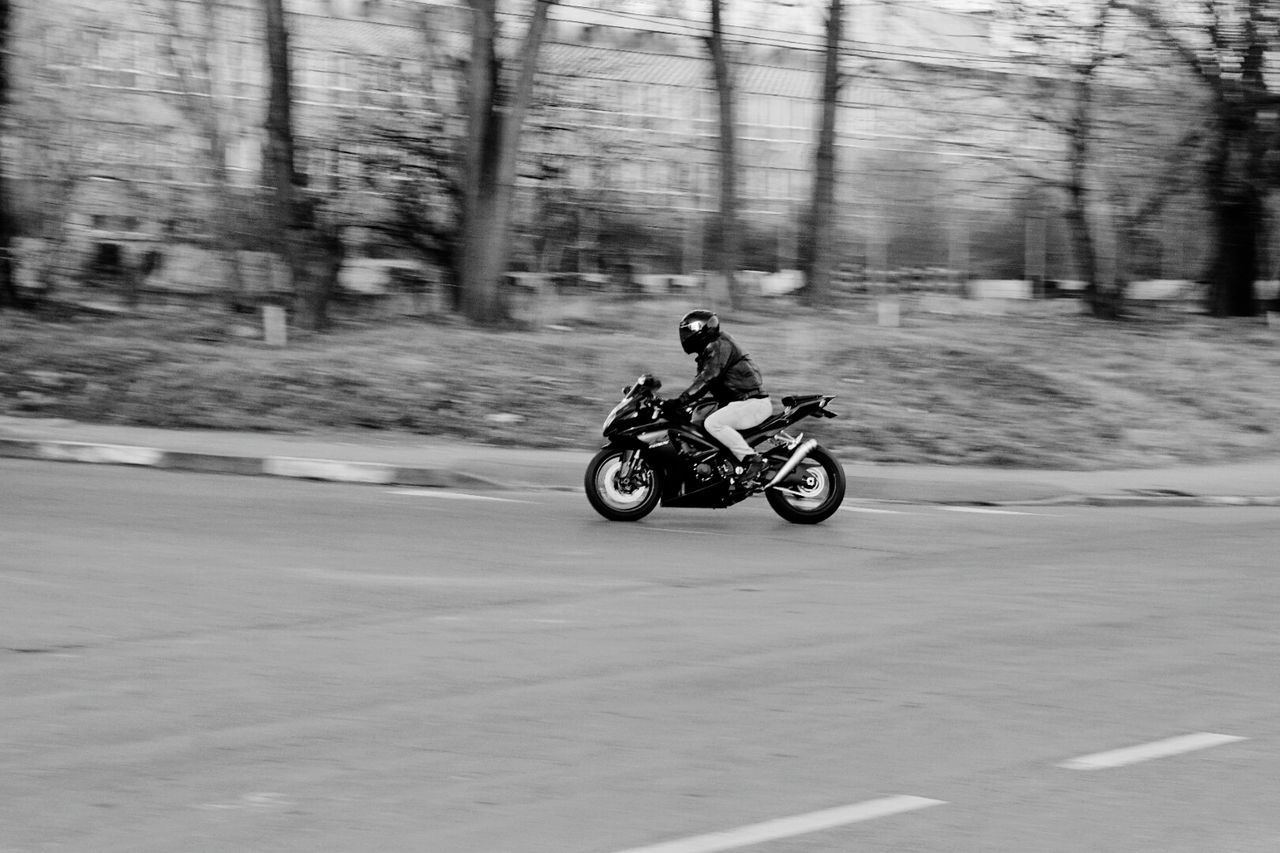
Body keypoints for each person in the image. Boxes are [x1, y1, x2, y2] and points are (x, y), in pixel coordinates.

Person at [662, 309, 772, 488]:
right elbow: (700, 385)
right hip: (739, 404)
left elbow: (707, 378)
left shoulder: (719, 345)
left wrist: (679, 401)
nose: (685, 336)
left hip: (751, 403)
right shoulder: (709, 351)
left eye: (688, 331)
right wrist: (676, 405)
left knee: (714, 423)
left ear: (701, 329)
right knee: (695, 417)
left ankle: (753, 460)